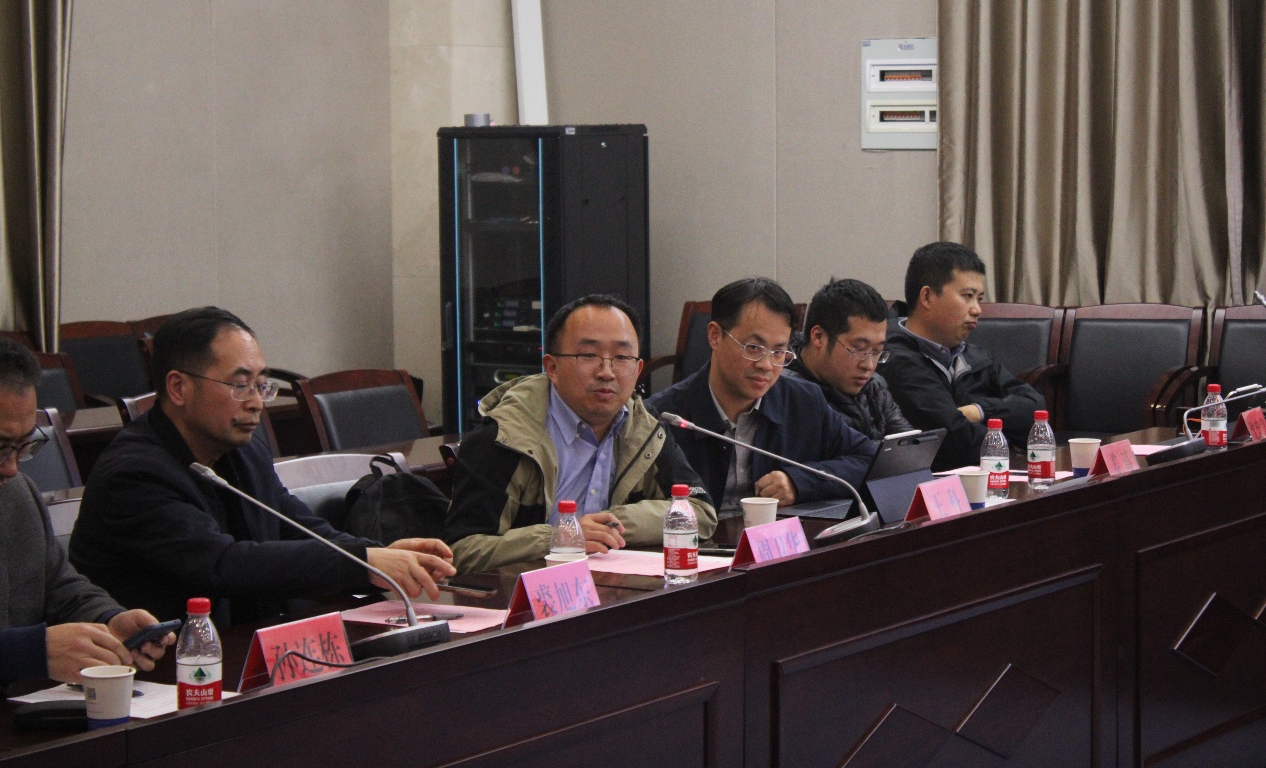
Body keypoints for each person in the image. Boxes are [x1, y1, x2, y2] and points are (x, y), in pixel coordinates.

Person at [70, 307, 455, 624]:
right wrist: (362, 563)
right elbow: (221, 564)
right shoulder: (133, 474)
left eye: (261, 385)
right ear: (178, 387)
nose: (256, 402)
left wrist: (379, 555)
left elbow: (294, 526)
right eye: (240, 385)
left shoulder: (243, 449)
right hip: (159, 669)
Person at [444, 295, 715, 572]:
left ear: (637, 369)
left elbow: (699, 512)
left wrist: (610, 524)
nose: (606, 372)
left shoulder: (644, 427)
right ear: (552, 367)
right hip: (528, 592)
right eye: (588, 356)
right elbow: (462, 551)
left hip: (613, 584)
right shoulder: (505, 437)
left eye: (622, 357)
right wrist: (560, 538)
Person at [0, 338, 172, 689]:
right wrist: (30, 652)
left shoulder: (17, 496)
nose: (12, 468)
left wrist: (108, 620)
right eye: (1, 447)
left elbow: (60, 586)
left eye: (23, 445)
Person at [648, 278, 877, 519]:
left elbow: (869, 460)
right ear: (715, 336)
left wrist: (799, 481)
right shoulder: (662, 417)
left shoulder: (803, 402)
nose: (766, 365)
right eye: (754, 348)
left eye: (778, 352)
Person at [879, 241, 1045, 470]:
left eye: (979, 298)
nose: (977, 309)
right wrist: (1011, 438)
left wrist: (978, 411)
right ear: (927, 297)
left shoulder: (972, 355)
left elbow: (1036, 410)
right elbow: (957, 442)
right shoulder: (895, 358)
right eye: (967, 296)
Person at [787, 278, 914, 442]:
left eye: (877, 352)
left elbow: (909, 446)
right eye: (859, 349)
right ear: (819, 337)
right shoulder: (788, 393)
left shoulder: (874, 386)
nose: (869, 366)